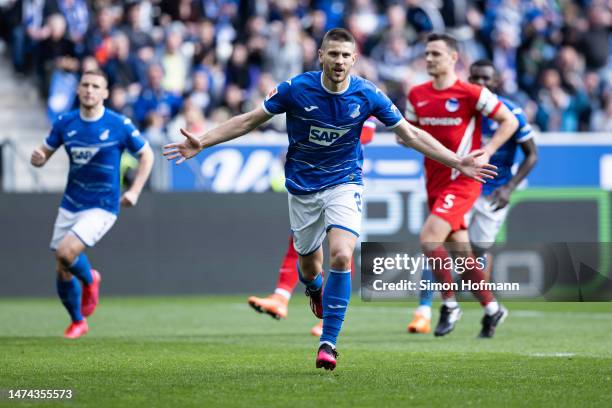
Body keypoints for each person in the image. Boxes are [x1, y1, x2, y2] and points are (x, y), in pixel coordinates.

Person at [163, 28, 496, 370]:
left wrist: (458, 161)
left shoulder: (367, 94)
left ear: (354, 59)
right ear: (321, 55)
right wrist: (202, 141)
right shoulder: (296, 88)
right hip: (303, 188)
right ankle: (314, 290)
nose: (339, 61)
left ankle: (328, 344)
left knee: (341, 255)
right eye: (332, 54)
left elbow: (410, 134)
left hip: (344, 182)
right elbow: (249, 120)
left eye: (345, 55)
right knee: (310, 270)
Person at [407, 59, 538, 336]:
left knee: (472, 253)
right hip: (462, 186)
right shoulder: (464, 106)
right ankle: (428, 308)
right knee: (436, 239)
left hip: (493, 193)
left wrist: (509, 188)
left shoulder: (508, 112)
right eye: (475, 79)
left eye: (485, 80)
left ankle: (489, 310)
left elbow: (532, 153)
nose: (480, 85)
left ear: (495, 82)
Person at [30, 69, 154, 339]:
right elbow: (44, 152)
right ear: (78, 90)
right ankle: (78, 321)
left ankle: (90, 279)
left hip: (103, 204)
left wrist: (134, 191)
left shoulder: (119, 124)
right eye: (85, 85)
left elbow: (147, 155)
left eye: (95, 86)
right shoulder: (65, 123)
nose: (89, 90)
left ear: (105, 93)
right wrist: (39, 157)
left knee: (65, 253)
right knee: (62, 267)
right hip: (71, 202)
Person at [247, 118, 377, 338]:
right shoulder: (317, 93)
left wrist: (330, 138)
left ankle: (325, 316)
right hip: (314, 182)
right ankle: (283, 298)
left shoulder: (361, 93)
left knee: (342, 251)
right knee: (301, 243)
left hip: (344, 182)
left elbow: (368, 133)